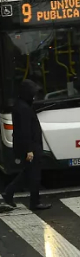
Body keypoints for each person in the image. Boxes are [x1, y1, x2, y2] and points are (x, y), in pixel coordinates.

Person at [1, 79, 51, 210]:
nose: (34, 96)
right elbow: (25, 131)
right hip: (30, 146)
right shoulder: (23, 108)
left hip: (30, 145)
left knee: (29, 173)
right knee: (34, 175)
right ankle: (34, 202)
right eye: (32, 93)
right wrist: (29, 150)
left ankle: (9, 193)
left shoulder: (21, 105)